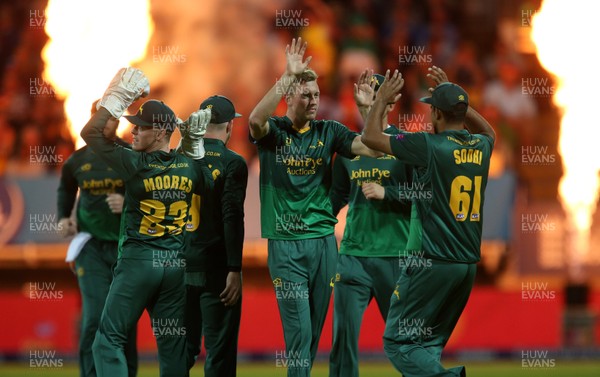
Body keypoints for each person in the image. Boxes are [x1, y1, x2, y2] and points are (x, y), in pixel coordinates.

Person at [248, 37, 382, 377]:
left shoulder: (329, 131)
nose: (313, 101)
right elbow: (253, 121)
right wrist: (285, 77)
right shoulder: (275, 132)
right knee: (299, 335)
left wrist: (367, 111)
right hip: (286, 245)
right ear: (290, 96)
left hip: (324, 244)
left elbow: (374, 150)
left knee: (311, 340)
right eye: (305, 94)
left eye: (317, 95)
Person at [362, 66, 495, 376]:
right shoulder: (482, 147)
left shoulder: (429, 147)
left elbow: (370, 137)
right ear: (461, 113)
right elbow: (489, 132)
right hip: (465, 268)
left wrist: (381, 99)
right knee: (427, 343)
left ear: (435, 113)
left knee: (398, 342)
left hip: (431, 261)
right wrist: (458, 102)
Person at [81, 67, 213, 377]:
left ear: (161, 132)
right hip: (174, 267)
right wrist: (194, 146)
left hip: (139, 262)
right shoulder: (189, 166)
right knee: (173, 352)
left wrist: (115, 99)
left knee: (107, 342)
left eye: (141, 127)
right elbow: (207, 181)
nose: (133, 131)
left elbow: (91, 134)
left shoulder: (134, 163)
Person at [328, 71, 411, 377]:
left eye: (378, 95)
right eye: (368, 96)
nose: (372, 101)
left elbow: (425, 196)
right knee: (343, 340)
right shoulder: (349, 151)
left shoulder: (405, 145)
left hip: (396, 257)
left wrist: (387, 193)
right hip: (352, 258)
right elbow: (334, 199)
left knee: (403, 342)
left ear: (391, 102)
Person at [57, 101, 137, 377]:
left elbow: (149, 193)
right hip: (90, 246)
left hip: (125, 249)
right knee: (93, 317)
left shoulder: (130, 155)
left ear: (119, 122)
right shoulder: (78, 160)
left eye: (113, 118)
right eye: (102, 118)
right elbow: (66, 188)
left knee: (123, 321)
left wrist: (127, 202)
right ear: (93, 120)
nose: (108, 124)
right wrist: (63, 217)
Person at [184, 95, 248, 377]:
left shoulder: (178, 159)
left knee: (179, 352)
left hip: (180, 267)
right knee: (219, 354)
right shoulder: (233, 162)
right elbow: (232, 216)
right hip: (218, 270)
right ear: (230, 127)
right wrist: (235, 268)